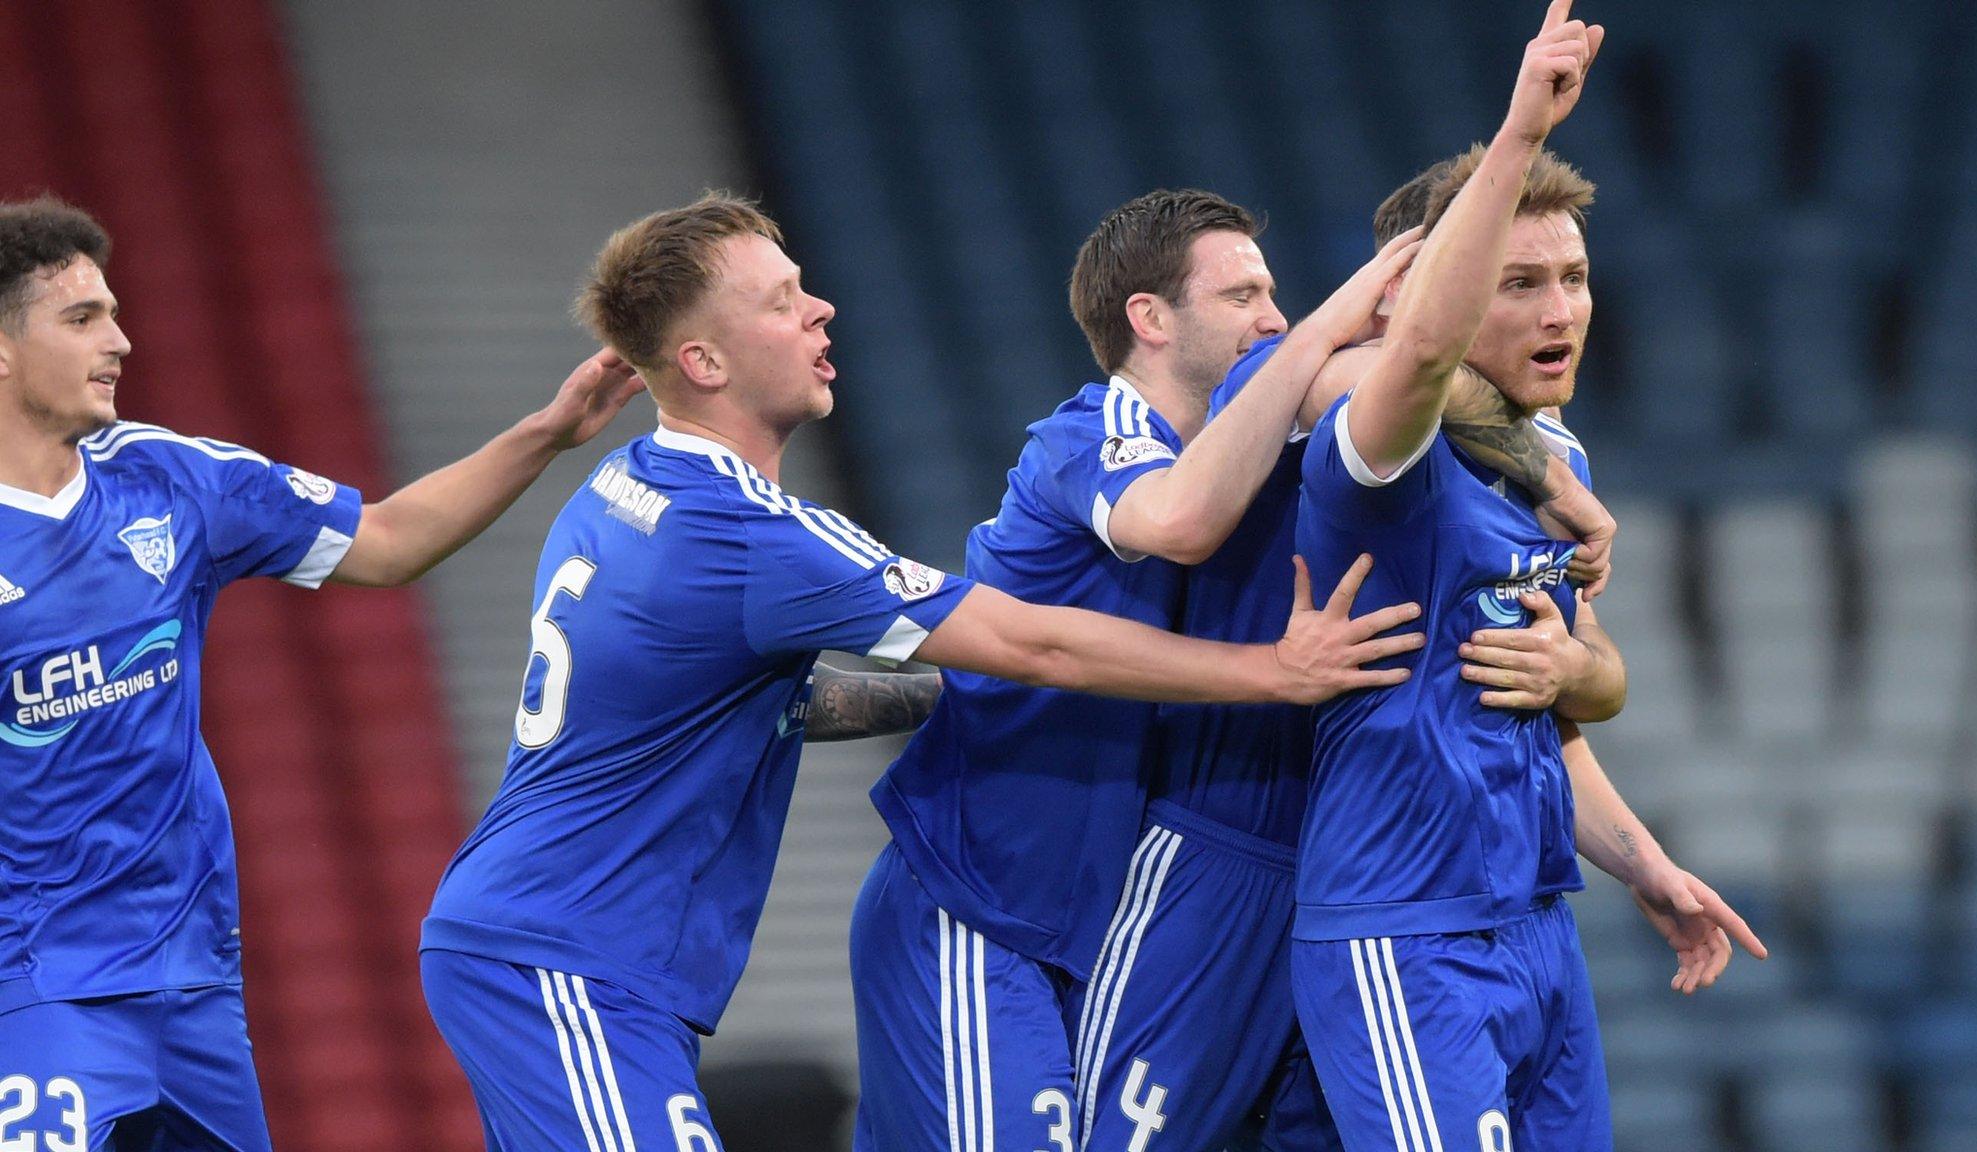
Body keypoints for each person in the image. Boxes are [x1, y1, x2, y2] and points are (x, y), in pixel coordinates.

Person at [416, 193, 1419, 1152]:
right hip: (572, 953)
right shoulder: (758, 535)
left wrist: (967, 694)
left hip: (556, 942)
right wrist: (1275, 670)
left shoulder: (623, 482)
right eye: (780, 301)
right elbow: (1036, 642)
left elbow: (764, 700)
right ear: (702, 360)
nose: (820, 307)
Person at [0, 196, 644, 1151]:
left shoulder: (172, 479)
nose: (123, 342)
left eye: (117, 312)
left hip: (194, 984)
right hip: (41, 989)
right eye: (83, 318)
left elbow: (383, 542)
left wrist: (546, 435)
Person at [1289, 6, 1758, 1148]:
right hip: (1404, 935)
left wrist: (1644, 862)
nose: (1560, 311)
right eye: (1516, 283)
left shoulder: (1558, 460)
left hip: (1534, 923)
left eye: (1574, 277)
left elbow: (1552, 717)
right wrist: (1515, 134)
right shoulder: (1380, 450)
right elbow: (1410, 362)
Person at [1069, 202, 1618, 1151]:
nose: (1274, 317)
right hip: (1236, 848)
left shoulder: (1536, 448)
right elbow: (1178, 526)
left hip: (1408, 870)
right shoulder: (1305, 392)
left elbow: (1582, 694)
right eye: (1520, 281)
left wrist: (1578, 679)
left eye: (1572, 279)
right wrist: (1275, 669)